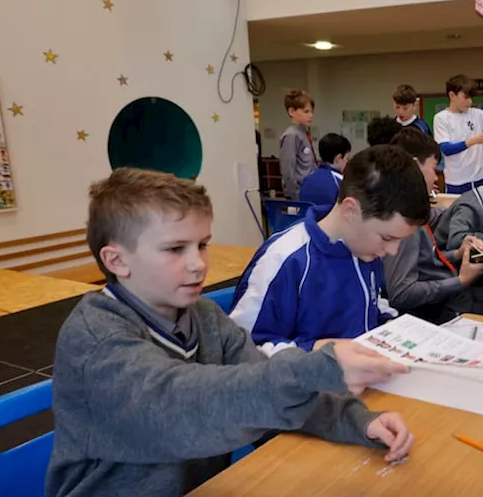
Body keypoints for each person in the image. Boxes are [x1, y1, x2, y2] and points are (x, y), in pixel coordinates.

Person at [46, 168, 413, 497]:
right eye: (175, 249)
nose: (197, 264)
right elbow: (184, 407)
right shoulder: (95, 339)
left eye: (202, 244)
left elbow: (261, 381)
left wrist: (360, 421)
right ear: (117, 261)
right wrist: (317, 368)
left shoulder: (204, 317)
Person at [230, 146, 431, 353]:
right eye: (387, 238)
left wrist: (388, 324)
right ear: (351, 210)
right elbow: (242, 352)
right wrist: (323, 351)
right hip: (310, 382)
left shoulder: (365, 250)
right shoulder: (285, 260)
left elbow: (370, 305)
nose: (393, 251)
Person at [383, 128, 483, 322]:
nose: (436, 178)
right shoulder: (404, 220)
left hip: (445, 292)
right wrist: (460, 281)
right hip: (436, 307)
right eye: (433, 168)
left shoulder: (410, 209)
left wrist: (458, 253)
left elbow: (426, 260)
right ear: (415, 167)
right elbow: (402, 293)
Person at [432, 74, 483, 193]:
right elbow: (446, 149)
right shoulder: (441, 118)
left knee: (482, 211)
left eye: (471, 98)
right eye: (465, 97)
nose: (469, 102)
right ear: (452, 95)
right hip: (456, 182)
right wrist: (475, 140)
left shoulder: (476, 114)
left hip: (480, 178)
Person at [278, 89, 317, 200]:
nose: (311, 115)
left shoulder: (304, 133)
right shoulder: (291, 135)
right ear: (292, 112)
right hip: (298, 193)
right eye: (306, 111)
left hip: (309, 188)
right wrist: (294, 194)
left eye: (311, 111)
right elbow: (287, 170)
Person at [298, 133, 351, 212]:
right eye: (347, 158)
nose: (347, 162)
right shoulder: (341, 182)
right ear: (339, 158)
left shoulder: (307, 179)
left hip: (307, 222)